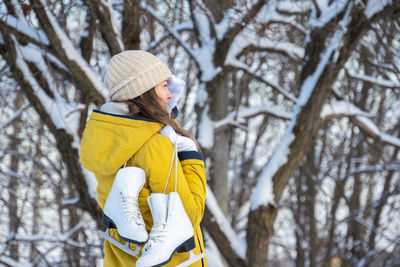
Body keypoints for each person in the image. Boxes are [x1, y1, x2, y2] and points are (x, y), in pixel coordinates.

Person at [80, 50, 207, 266]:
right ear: (143, 91)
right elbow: (189, 214)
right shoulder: (154, 145)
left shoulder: (108, 141)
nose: (170, 95)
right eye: (164, 86)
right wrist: (189, 155)